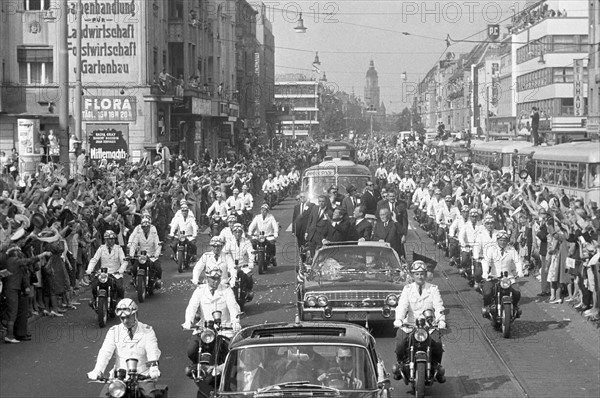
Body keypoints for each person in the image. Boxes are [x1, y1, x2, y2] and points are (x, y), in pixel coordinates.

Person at [87, 299, 162, 398]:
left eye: (128, 317)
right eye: (122, 318)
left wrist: (153, 368)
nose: (125, 321)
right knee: (104, 396)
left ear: (135, 314)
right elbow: (105, 352)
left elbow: (152, 350)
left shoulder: (147, 330)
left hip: (142, 376)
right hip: (119, 378)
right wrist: (98, 370)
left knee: (150, 395)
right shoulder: (114, 331)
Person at [393, 261, 446, 383]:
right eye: (417, 274)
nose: (420, 276)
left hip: (428, 326)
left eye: (422, 274)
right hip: (410, 325)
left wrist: (441, 320)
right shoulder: (407, 289)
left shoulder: (433, 289)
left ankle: (437, 368)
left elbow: (439, 307)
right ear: (412, 275)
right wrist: (399, 319)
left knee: (437, 344)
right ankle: (400, 366)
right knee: (400, 343)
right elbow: (402, 306)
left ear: (426, 275)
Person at [183, 268, 241, 362]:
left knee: (232, 355)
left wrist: (235, 322)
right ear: (207, 278)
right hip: (204, 329)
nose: (216, 281)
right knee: (191, 350)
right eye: (213, 278)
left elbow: (233, 307)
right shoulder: (200, 290)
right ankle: (197, 368)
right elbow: (192, 306)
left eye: (218, 278)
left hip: (224, 329)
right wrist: (188, 321)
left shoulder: (226, 290)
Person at [481, 230, 524, 318]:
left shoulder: (512, 250)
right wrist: (485, 272)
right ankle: (487, 308)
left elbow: (518, 261)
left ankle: (515, 307)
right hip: (493, 277)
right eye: (501, 240)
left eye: (505, 240)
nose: (503, 242)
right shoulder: (491, 250)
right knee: (487, 293)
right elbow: (486, 261)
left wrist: (520, 271)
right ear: (497, 240)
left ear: (507, 241)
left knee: (517, 292)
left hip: (508, 279)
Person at [85, 230, 127, 307]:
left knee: (119, 287)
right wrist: (89, 270)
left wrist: (121, 270)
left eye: (113, 239)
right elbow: (94, 259)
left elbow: (124, 261)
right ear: (106, 239)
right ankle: (94, 300)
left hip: (115, 273)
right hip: (103, 273)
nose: (112, 240)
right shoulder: (101, 248)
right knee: (94, 285)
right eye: (110, 239)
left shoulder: (118, 248)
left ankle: (121, 301)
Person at [128, 215, 162, 288]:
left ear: (149, 227)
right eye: (144, 227)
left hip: (151, 255)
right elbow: (134, 244)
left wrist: (156, 254)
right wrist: (131, 254)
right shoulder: (138, 235)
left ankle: (158, 280)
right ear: (142, 227)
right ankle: (134, 278)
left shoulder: (154, 234)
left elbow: (158, 244)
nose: (146, 228)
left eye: (147, 227)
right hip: (141, 256)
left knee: (158, 267)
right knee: (134, 268)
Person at [223, 223, 255, 300]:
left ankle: (248, 292)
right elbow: (225, 252)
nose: (238, 234)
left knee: (249, 279)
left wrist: (251, 262)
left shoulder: (246, 241)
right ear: (233, 233)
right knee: (225, 281)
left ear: (242, 233)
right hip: (232, 267)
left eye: (239, 232)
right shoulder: (230, 241)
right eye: (236, 232)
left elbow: (251, 252)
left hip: (244, 266)